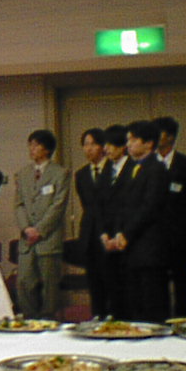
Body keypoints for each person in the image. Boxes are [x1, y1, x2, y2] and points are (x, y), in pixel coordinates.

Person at [101, 120, 171, 322]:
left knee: (151, 303)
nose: (128, 144)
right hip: (131, 248)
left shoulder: (157, 169)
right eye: (128, 139)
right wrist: (117, 234)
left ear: (149, 144)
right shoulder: (133, 167)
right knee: (135, 303)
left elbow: (150, 207)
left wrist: (126, 234)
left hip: (149, 246)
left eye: (133, 140)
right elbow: (123, 206)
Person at [13, 129, 71, 319]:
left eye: (36, 145)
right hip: (27, 240)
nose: (32, 149)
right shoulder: (23, 174)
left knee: (49, 285)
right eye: (30, 145)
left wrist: (40, 230)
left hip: (48, 239)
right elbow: (19, 204)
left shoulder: (60, 173)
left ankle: (48, 320)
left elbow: (58, 206)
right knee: (24, 282)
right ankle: (29, 319)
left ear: (47, 149)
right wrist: (26, 228)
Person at [153, 116, 186, 318]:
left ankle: (182, 319)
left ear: (170, 137)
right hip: (154, 236)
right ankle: (161, 319)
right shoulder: (147, 164)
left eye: (159, 133)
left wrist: (184, 232)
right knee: (157, 283)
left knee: (181, 282)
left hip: (179, 236)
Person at [74, 127, 111, 317]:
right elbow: (86, 205)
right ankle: (97, 317)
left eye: (93, 144)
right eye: (85, 145)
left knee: (111, 281)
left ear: (103, 146)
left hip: (110, 234)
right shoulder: (81, 174)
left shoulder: (113, 170)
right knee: (94, 282)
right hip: (89, 234)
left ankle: (113, 318)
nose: (88, 149)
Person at [97, 124, 132, 317]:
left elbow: (130, 206)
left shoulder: (133, 167)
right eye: (105, 145)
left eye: (111, 145)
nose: (106, 149)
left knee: (128, 288)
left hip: (126, 236)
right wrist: (104, 233)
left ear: (122, 146)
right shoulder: (106, 169)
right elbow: (99, 204)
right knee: (111, 286)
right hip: (108, 236)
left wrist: (120, 233)